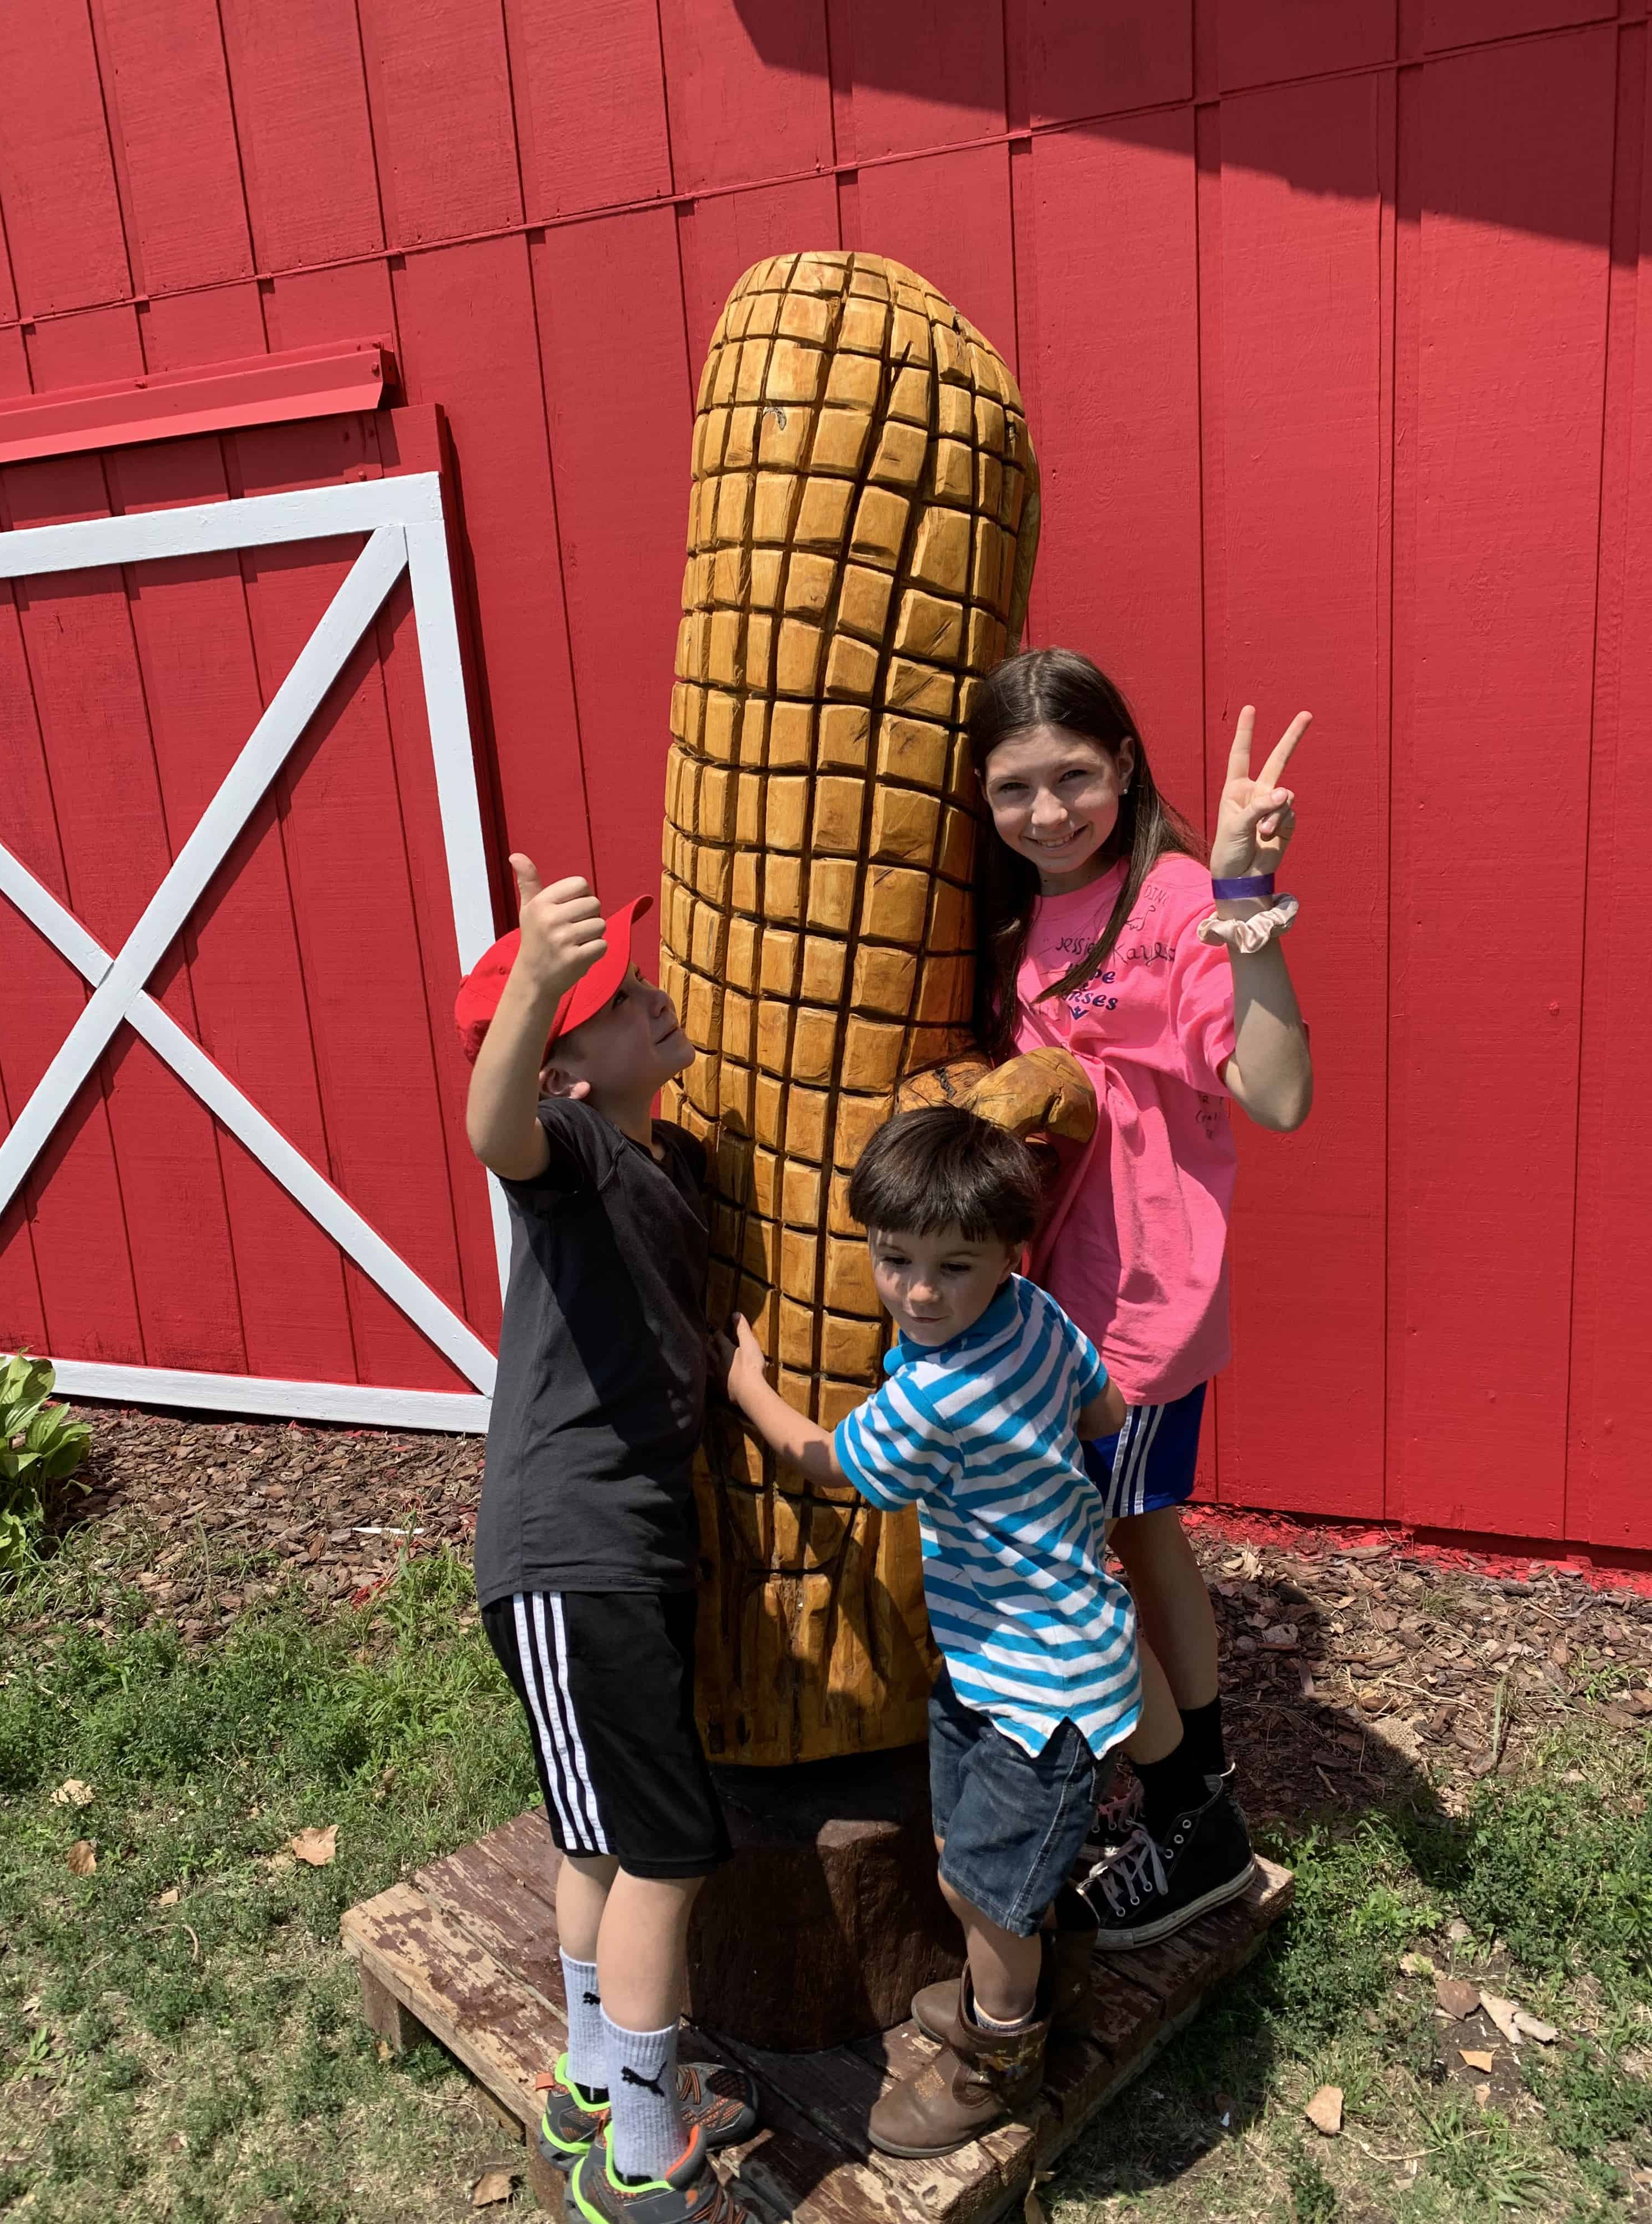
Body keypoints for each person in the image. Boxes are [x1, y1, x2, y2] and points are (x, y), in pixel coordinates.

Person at [719, 1103, 1182, 2158]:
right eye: (897, 1260)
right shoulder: (1036, 1313)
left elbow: (828, 1462)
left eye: (954, 1267)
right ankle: (1031, 1983)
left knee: (979, 1892)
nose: (921, 1293)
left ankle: (996, 2057)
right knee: (993, 1865)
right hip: (1026, 1652)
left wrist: (750, 1390)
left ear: (1006, 1253)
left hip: (1038, 1687)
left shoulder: (932, 1398)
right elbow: (1105, 1413)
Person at [969, 645, 1313, 1947]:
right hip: (1045, 1293)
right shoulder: (1015, 919)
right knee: (1137, 1532)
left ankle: (1189, 1818)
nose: (1049, 811)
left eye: (1074, 776)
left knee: (1093, 1550)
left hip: (1140, 1307)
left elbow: (1277, 1093)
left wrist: (1245, 892)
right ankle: (1192, 1786)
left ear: (1124, 764)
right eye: (1016, 788)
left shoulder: (1171, 900)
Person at [458, 860, 758, 2224]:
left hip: (613, 1550)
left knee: (595, 1842)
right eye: (623, 1000)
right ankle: (644, 2156)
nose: (654, 999)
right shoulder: (573, 1157)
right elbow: (494, 1127)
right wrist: (531, 984)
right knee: (669, 1846)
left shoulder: (658, 1158)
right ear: (570, 1068)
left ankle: (593, 2082)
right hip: (575, 1553)